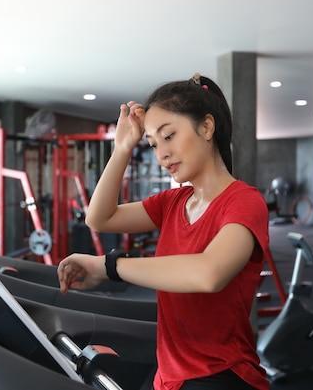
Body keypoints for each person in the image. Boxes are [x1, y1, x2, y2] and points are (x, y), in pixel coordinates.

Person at [57, 73, 270, 390]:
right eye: (153, 143)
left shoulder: (243, 202)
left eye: (169, 137)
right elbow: (99, 218)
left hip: (221, 376)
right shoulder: (174, 201)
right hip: (171, 375)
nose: (161, 154)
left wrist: (109, 266)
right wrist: (122, 148)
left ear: (207, 127)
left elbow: (208, 273)